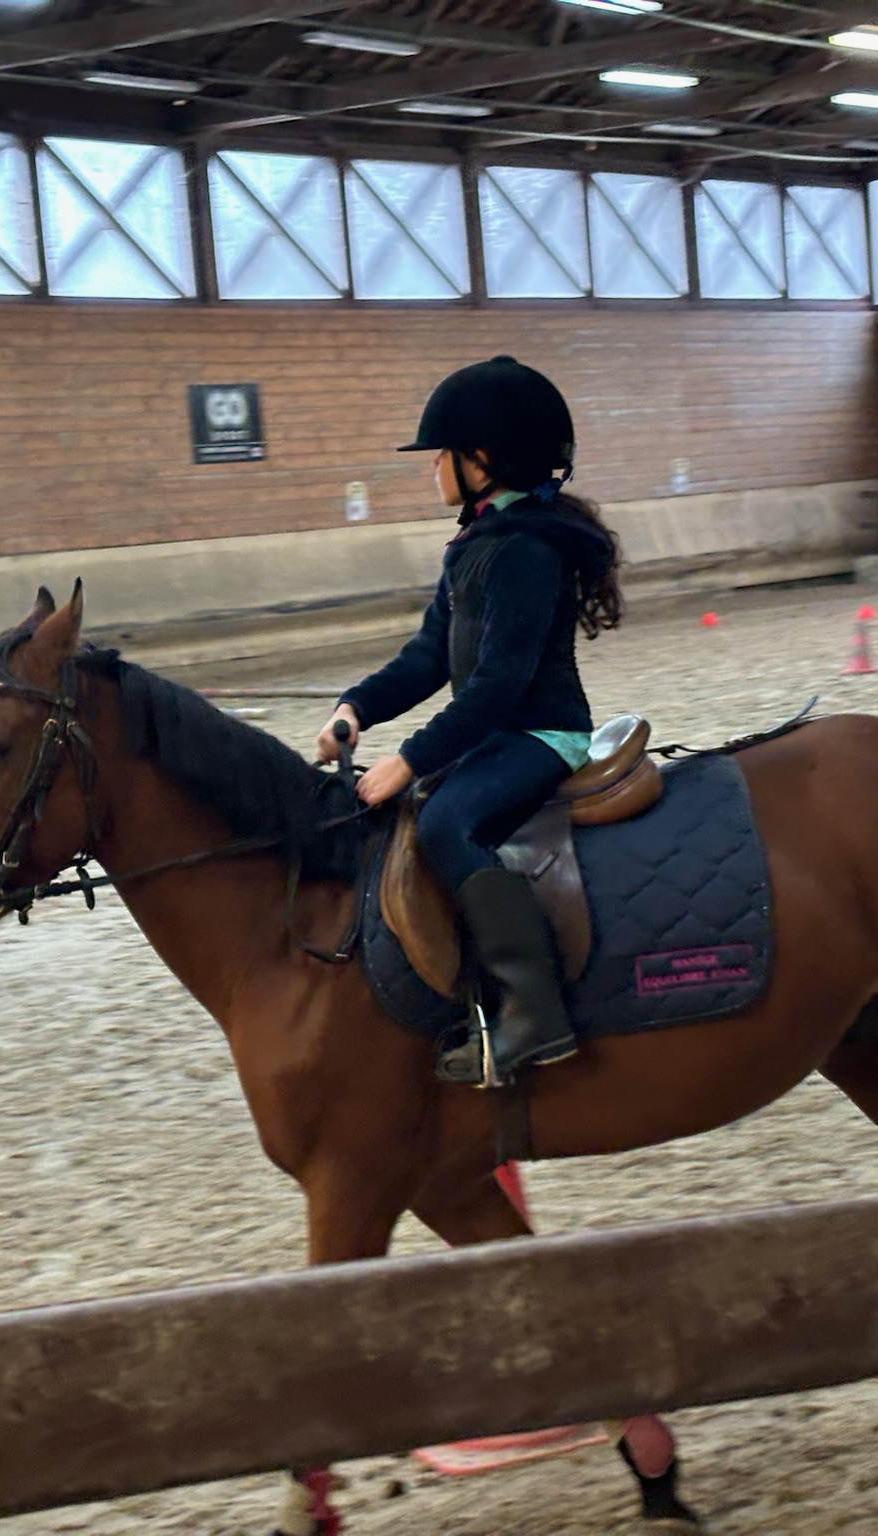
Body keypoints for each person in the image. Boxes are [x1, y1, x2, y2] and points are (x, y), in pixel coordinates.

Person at [315, 356, 622, 1085]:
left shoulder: (525, 550)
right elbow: (428, 657)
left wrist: (411, 758)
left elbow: (497, 688)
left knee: (449, 822)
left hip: (540, 732)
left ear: (483, 459)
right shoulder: (478, 542)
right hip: (496, 728)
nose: (434, 471)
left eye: (442, 455)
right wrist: (356, 709)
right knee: (418, 815)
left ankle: (535, 1013)